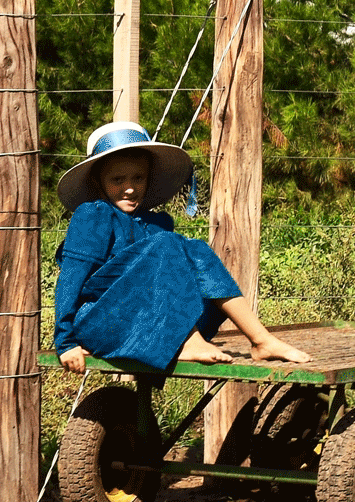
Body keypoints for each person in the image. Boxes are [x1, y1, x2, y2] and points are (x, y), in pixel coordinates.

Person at [53, 121, 310, 373]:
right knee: (168, 242)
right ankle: (188, 340)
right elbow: (71, 278)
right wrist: (66, 343)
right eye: (117, 179)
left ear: (148, 179)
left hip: (141, 321)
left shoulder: (155, 224)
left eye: (138, 178)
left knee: (195, 248)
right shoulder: (92, 216)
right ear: (99, 182)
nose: (129, 188)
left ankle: (260, 339)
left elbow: (168, 285)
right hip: (100, 323)